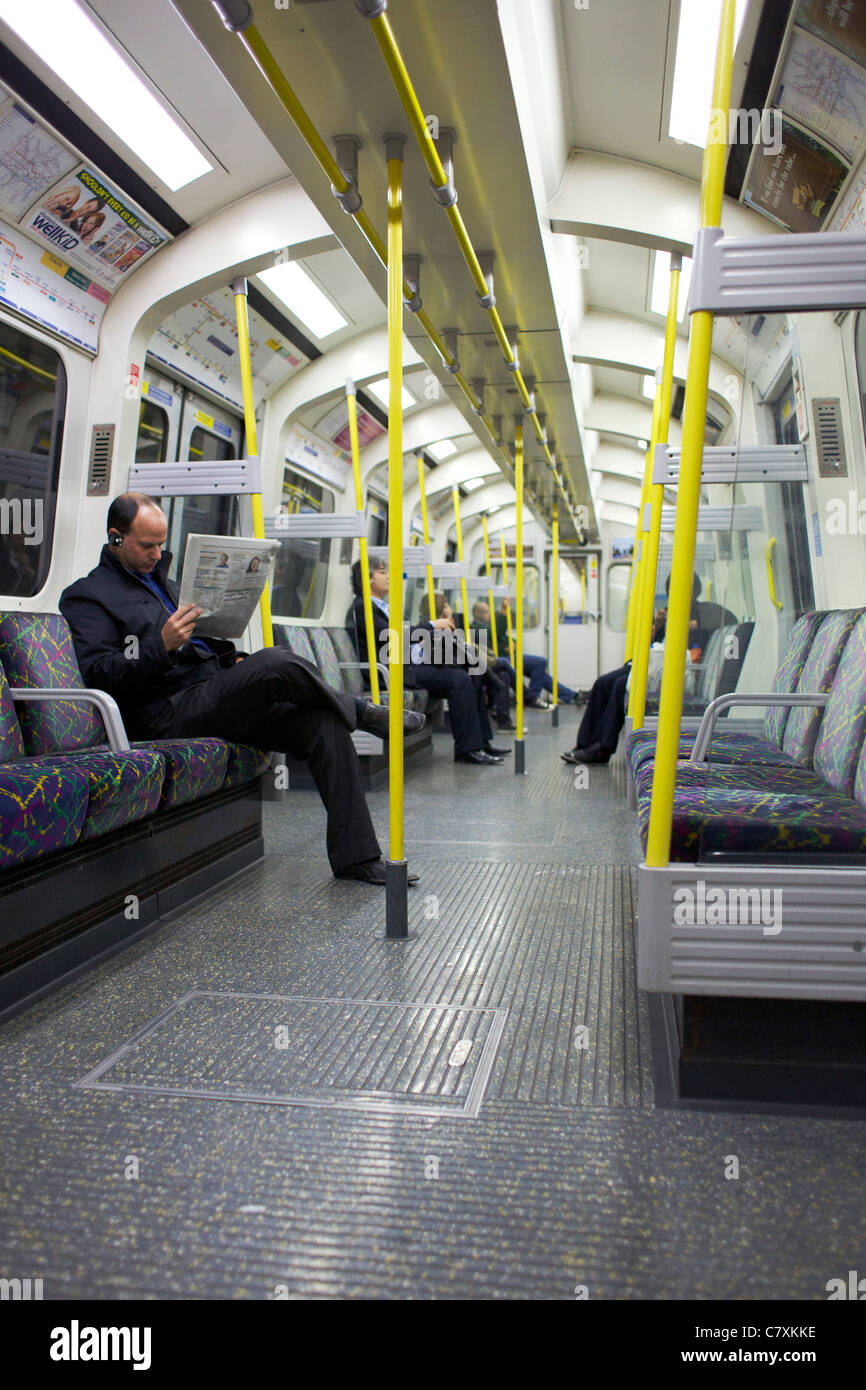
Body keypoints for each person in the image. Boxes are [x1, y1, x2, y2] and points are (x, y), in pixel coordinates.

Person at [60, 494, 424, 887]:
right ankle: (364, 712)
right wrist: (158, 645)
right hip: (163, 712)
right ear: (116, 538)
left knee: (323, 723)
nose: (156, 553)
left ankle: (357, 858)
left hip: (212, 695)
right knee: (276, 661)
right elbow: (100, 675)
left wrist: (230, 659)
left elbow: (204, 642)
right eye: (147, 545)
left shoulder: (168, 585)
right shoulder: (88, 596)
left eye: (161, 544)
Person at [349, 559, 509, 765]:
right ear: (367, 579)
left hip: (409, 664)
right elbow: (390, 638)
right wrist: (432, 625)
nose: (388, 576)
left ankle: (482, 742)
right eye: (382, 572)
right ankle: (467, 749)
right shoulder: (363, 608)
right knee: (459, 680)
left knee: (473, 673)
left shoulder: (383, 607)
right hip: (392, 672)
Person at [470, 599, 578, 709]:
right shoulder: (475, 627)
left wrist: (513, 642)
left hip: (508, 655)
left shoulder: (487, 625)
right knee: (540, 662)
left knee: (540, 674)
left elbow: (501, 637)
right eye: (486, 612)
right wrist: (503, 613)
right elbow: (493, 638)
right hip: (503, 657)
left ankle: (572, 696)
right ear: (477, 613)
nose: (489, 614)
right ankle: (533, 697)